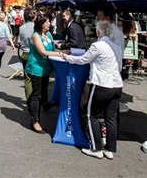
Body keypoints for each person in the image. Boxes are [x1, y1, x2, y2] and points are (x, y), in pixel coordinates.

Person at [64, 20, 123, 160]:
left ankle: (96, 148)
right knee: (111, 118)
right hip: (117, 85)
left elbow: (83, 60)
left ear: (98, 31)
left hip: (101, 84)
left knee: (92, 115)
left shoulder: (98, 45)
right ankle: (110, 148)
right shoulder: (117, 47)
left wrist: (68, 57)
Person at [26, 16, 64, 133]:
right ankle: (35, 121)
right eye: (47, 22)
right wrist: (61, 54)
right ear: (41, 23)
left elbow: (51, 47)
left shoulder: (48, 34)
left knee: (43, 93)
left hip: (46, 69)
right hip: (36, 69)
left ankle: (42, 111)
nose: (49, 23)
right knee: (36, 95)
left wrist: (60, 48)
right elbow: (42, 52)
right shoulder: (35, 36)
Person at [18, 8, 37, 101]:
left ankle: (29, 101)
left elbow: (19, 43)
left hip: (25, 54)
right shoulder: (37, 27)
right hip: (36, 54)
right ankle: (36, 100)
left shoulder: (21, 28)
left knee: (27, 79)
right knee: (37, 78)